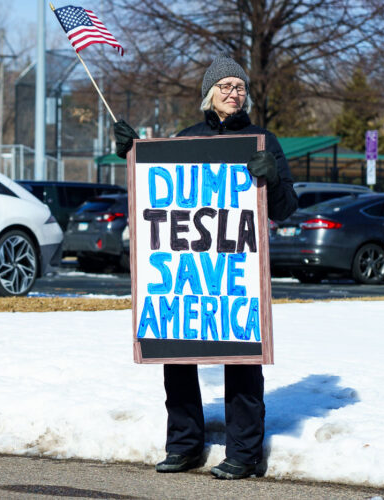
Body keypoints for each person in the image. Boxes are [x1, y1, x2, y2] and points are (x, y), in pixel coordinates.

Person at [113, 54, 298, 480]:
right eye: (226, 87)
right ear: (208, 94)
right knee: (177, 354)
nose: (234, 94)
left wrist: (270, 177)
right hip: (186, 272)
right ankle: (184, 446)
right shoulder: (187, 138)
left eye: (240, 87)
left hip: (236, 272)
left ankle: (245, 453)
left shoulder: (261, 139)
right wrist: (132, 151)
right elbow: (156, 189)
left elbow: (287, 208)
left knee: (242, 362)